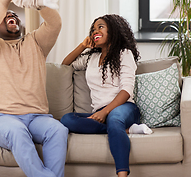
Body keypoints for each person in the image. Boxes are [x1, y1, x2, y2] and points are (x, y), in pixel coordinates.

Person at [0, 0, 68, 176]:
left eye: (15, 15)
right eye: (5, 16)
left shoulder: (36, 43)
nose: (12, 16)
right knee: (17, 131)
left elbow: (54, 23)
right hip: (3, 119)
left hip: (38, 118)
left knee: (58, 130)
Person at [60, 14, 152, 177]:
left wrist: (105, 112)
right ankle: (127, 130)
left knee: (115, 120)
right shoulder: (91, 57)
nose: (96, 31)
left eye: (100, 27)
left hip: (123, 108)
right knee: (67, 119)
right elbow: (65, 64)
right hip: (100, 111)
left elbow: (126, 90)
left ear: (114, 30)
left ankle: (122, 175)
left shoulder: (124, 53)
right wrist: (83, 46)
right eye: (93, 29)